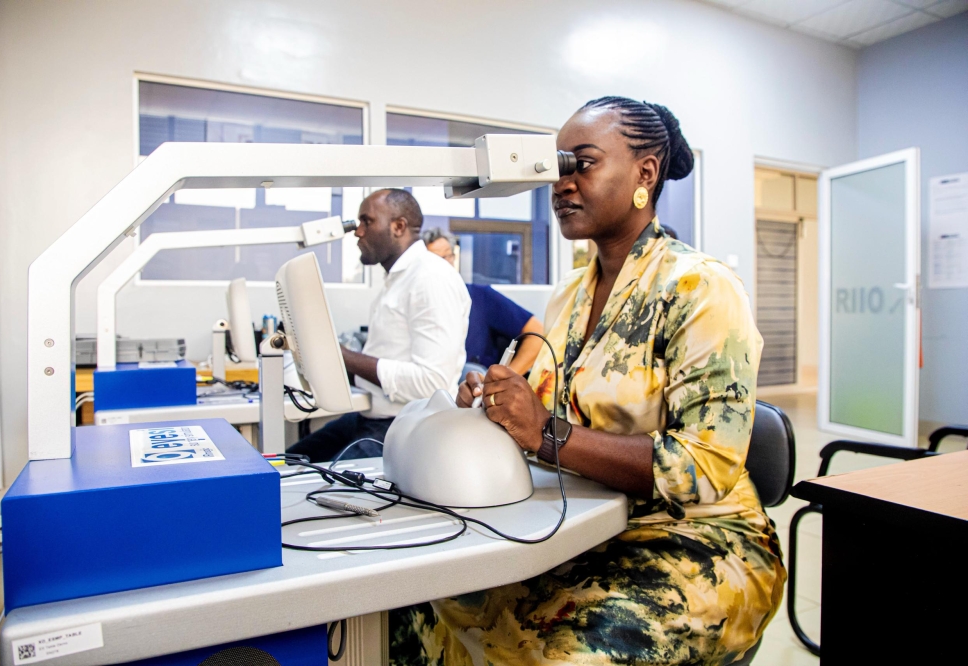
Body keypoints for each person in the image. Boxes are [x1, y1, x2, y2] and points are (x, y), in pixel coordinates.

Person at [390, 98, 785, 665]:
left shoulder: (702, 288)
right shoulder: (569, 294)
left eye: (583, 164)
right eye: (556, 168)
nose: (562, 183)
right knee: (418, 611)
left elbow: (702, 469)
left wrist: (545, 432)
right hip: (588, 524)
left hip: (698, 545)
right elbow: (544, 410)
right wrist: (494, 401)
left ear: (645, 174)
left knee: (550, 657)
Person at [288, 189, 470, 462]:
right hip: (371, 416)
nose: (357, 232)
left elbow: (433, 384)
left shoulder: (431, 279)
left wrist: (342, 357)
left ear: (398, 226)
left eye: (367, 221)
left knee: (314, 487)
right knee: (287, 462)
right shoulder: (398, 279)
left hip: (404, 426)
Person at [421, 227, 545, 375]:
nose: (446, 263)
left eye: (449, 256)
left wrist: (506, 379)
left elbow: (537, 332)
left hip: (477, 388)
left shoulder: (480, 297)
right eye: (438, 259)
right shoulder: (419, 305)